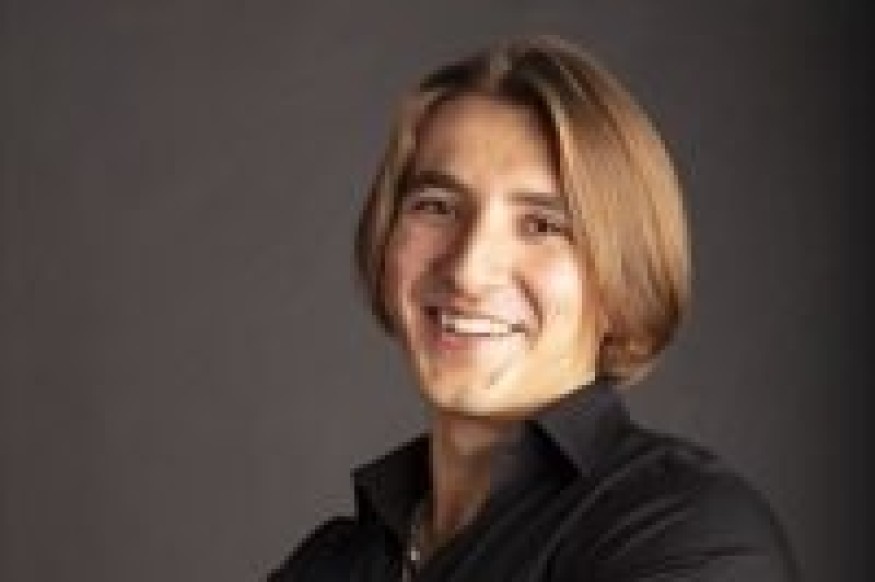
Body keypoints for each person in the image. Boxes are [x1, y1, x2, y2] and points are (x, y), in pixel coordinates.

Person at [269, 35, 797, 581]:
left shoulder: (687, 535)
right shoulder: (330, 563)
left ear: (622, 278)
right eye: (437, 207)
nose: (468, 270)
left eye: (542, 225)